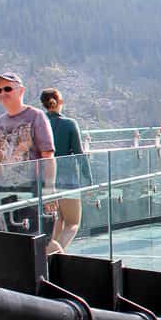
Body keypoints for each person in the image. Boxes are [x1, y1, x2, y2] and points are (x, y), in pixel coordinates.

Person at [0, 73, 56, 235]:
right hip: (7, 193)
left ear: (21, 91)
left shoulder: (36, 117)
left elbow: (48, 155)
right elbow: (1, 160)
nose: (3, 93)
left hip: (32, 192)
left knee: (40, 243)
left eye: (7, 89)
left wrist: (49, 189)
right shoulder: (0, 121)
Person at [41, 88, 91, 253]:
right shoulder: (69, 124)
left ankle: (50, 255)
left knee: (57, 220)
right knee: (72, 222)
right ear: (59, 102)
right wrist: (88, 179)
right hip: (68, 179)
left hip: (46, 181)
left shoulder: (39, 123)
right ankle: (53, 257)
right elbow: (79, 153)